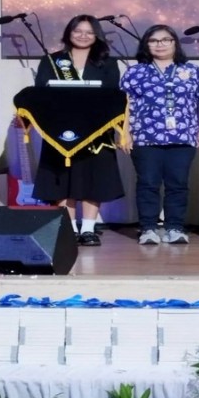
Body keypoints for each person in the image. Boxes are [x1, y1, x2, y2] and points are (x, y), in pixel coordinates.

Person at [32, 15, 124, 246]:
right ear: (68, 33)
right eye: (78, 31)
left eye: (89, 32)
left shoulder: (107, 63)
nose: (83, 36)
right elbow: (40, 94)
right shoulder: (52, 61)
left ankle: (89, 229)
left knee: (93, 178)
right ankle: (70, 229)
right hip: (60, 131)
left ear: (97, 36)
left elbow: (112, 96)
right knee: (64, 179)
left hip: (96, 131)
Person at [120, 25, 199, 245]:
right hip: (145, 137)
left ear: (174, 43)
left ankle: (174, 228)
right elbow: (123, 106)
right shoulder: (135, 72)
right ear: (146, 45)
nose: (160, 44)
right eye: (154, 40)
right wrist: (124, 134)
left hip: (183, 136)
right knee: (148, 183)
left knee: (178, 184)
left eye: (166, 39)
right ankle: (148, 228)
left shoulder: (192, 71)